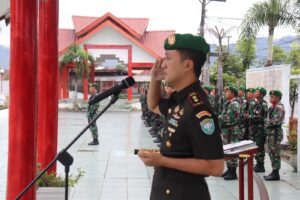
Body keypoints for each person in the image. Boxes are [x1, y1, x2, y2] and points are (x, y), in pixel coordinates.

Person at [138, 33, 224, 200]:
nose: (163, 65)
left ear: (187, 65)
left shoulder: (198, 107)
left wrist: (162, 160)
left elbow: (215, 167)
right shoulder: (179, 99)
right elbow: (153, 106)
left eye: (168, 58)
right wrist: (155, 80)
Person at [219, 85, 241, 180]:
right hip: (226, 130)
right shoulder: (228, 103)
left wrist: (218, 118)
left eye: (228, 92)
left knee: (232, 149)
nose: (225, 93)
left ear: (233, 93)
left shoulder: (234, 104)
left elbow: (230, 118)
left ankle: (233, 172)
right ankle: (229, 169)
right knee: (227, 149)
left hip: (232, 130)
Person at [264, 90, 285, 181]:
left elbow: (275, 121)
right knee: (272, 152)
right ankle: (274, 171)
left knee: (275, 152)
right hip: (271, 132)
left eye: (272, 97)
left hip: (275, 133)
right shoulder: (273, 107)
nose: (270, 98)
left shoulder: (279, 108)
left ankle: (276, 173)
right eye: (270, 96)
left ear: (277, 98)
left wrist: (265, 122)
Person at [251, 87, 268, 172]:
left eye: (257, 91)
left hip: (260, 129)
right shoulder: (255, 103)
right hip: (255, 128)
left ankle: (261, 165)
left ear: (261, 94)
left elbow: (265, 118)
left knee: (260, 147)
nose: (255, 92)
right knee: (256, 147)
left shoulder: (263, 104)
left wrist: (252, 117)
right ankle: (258, 163)